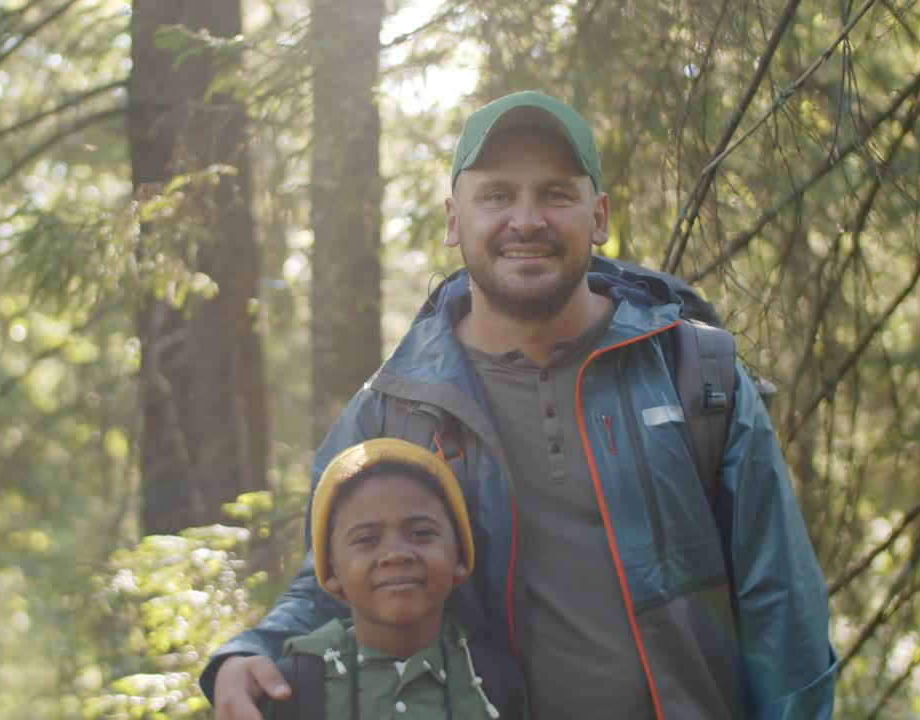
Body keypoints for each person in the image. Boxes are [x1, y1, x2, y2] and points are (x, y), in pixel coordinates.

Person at [206, 90, 837, 719]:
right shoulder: (393, 411)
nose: (526, 219)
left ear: (599, 216)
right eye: (497, 195)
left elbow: (782, 610)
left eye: (556, 193)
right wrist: (250, 650)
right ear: (455, 221)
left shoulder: (694, 375)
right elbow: (337, 580)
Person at [261, 438, 525, 720]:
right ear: (331, 569)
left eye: (421, 533)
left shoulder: (494, 679)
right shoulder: (295, 684)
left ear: (459, 557)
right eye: (367, 539)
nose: (396, 554)